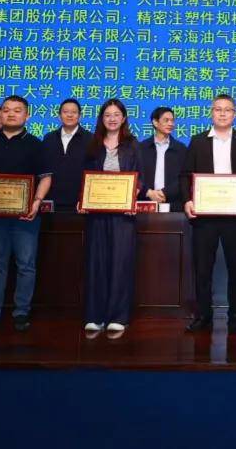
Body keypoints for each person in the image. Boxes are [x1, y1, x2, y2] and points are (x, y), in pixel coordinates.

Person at [0, 95, 52, 333]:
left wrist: (36, 201)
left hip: (26, 216)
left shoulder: (36, 144)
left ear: (27, 115)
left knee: (26, 265)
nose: (11, 114)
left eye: (17, 110)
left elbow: (46, 177)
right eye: (6, 110)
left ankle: (21, 312)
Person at [180, 94, 236, 334]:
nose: (223, 113)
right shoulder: (198, 141)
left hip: (235, 218)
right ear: (211, 113)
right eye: (218, 109)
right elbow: (185, 175)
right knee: (203, 269)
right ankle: (203, 316)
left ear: (234, 114)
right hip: (205, 217)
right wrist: (187, 200)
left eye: (228, 110)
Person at [82, 99, 142, 335]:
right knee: (96, 263)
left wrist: (133, 197)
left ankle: (118, 316)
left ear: (124, 118)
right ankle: (94, 316)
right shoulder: (92, 144)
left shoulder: (132, 145)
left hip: (123, 215)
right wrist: (83, 198)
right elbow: (84, 176)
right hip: (97, 213)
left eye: (117, 114)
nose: (112, 119)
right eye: (108, 115)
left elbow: (140, 177)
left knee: (120, 264)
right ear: (102, 118)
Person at [42, 98, 90, 212]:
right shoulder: (49, 138)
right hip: (51, 201)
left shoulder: (90, 139)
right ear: (59, 116)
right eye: (65, 112)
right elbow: (44, 170)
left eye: (74, 112)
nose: (69, 115)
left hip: (79, 203)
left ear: (80, 116)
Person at [138, 106, 187, 212]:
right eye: (166, 120)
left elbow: (183, 177)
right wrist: (149, 192)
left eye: (172, 120)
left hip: (173, 204)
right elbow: (137, 176)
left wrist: (164, 193)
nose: (170, 124)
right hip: (145, 202)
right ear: (155, 122)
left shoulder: (181, 149)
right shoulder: (141, 148)